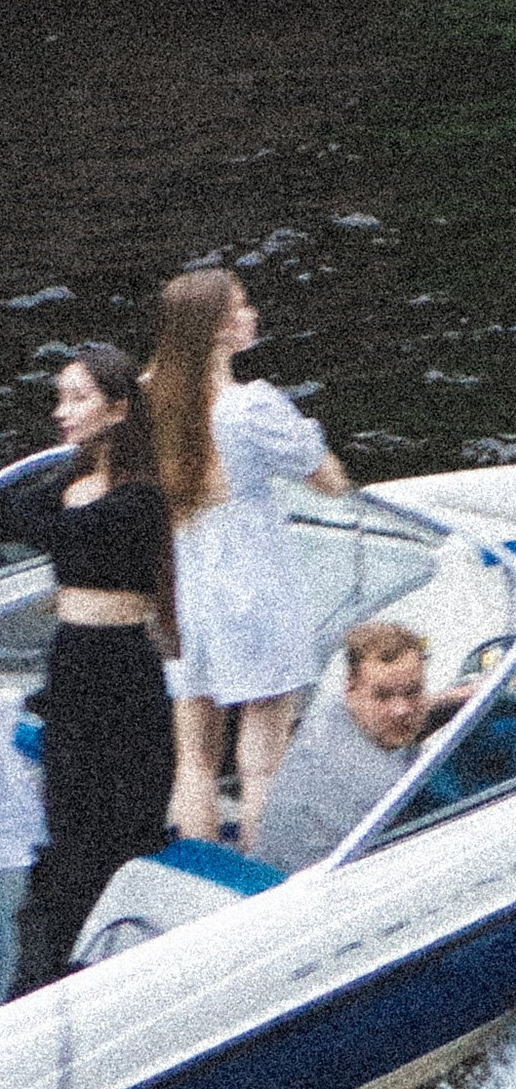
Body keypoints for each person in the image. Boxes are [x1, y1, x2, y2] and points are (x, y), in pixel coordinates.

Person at [145, 268, 350, 850]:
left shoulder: (148, 402)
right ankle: (260, 883)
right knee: (263, 756)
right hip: (252, 586)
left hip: (183, 590)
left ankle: (200, 872)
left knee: (195, 761)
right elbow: (331, 481)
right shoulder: (248, 407)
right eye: (240, 306)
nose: (251, 314)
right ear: (215, 329)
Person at [0, 344, 177, 991]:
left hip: (122, 672)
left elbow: (61, 534)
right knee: (68, 821)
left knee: (118, 818)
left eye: (77, 397)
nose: (61, 412)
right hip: (73, 661)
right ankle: (48, 969)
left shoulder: (141, 498)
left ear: (118, 408)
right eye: (60, 397)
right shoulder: (68, 482)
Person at [251, 620, 474, 872]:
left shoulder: (328, 714)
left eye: (413, 692)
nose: (401, 710)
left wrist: (468, 695)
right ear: (351, 689)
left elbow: (409, 713)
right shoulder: (388, 787)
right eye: (383, 696)